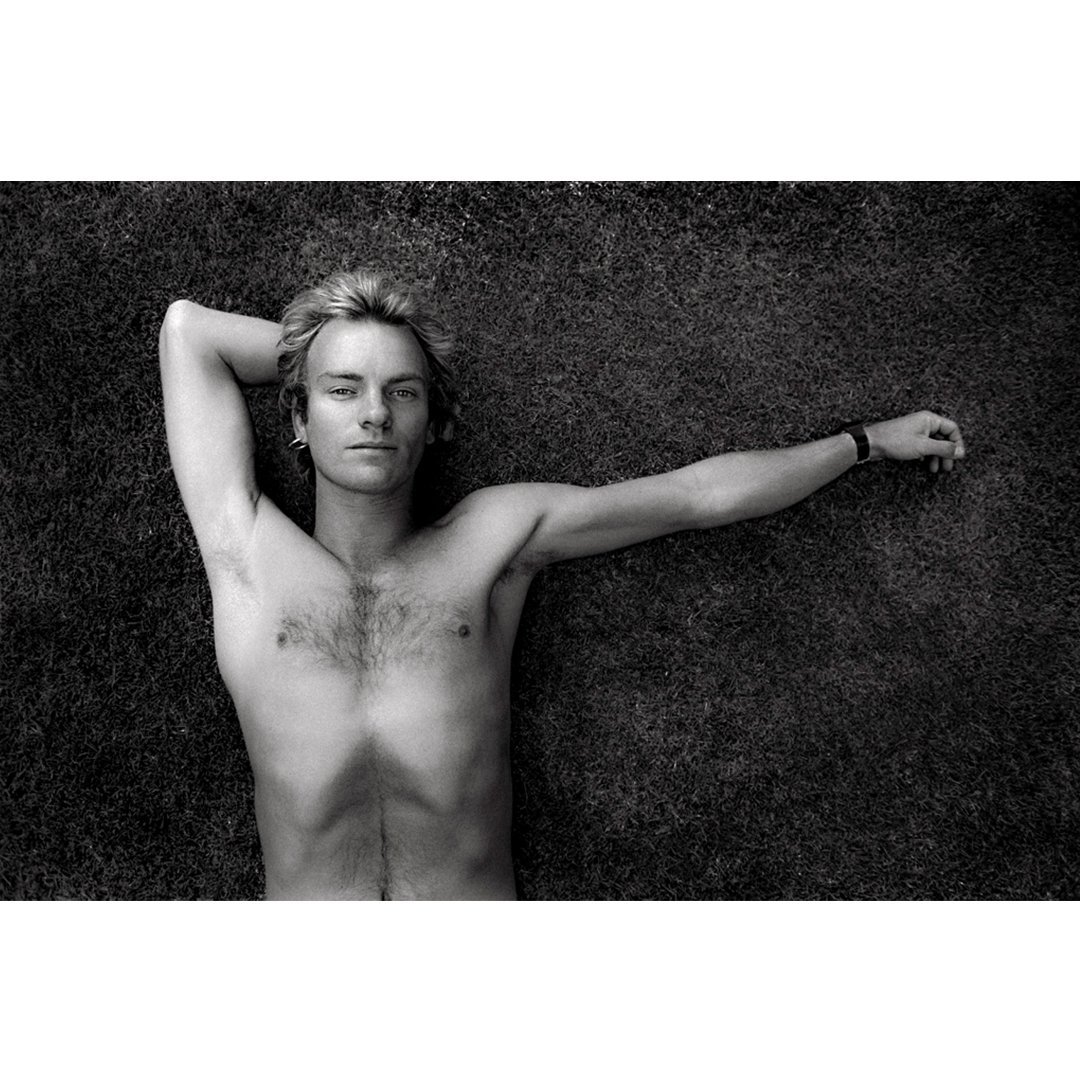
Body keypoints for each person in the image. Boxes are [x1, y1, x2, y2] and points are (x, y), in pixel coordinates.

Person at [159, 269, 966, 901]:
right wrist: (320, 348)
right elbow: (189, 333)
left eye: (402, 392)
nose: (375, 413)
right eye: (343, 390)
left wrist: (864, 442)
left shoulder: (491, 541)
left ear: (434, 422)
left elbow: (695, 497)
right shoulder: (246, 554)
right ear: (297, 418)